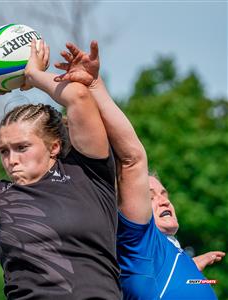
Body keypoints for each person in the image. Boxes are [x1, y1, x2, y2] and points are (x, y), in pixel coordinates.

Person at [0, 40, 121, 299]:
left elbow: (79, 97)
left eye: (22, 147)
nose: (11, 159)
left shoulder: (87, 173)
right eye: (4, 150)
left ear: (54, 147)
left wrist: (33, 75)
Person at [54, 40, 225, 299]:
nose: (163, 200)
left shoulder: (168, 252)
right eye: (150, 195)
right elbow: (131, 157)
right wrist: (93, 86)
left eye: (163, 193)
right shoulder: (138, 240)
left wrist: (189, 270)